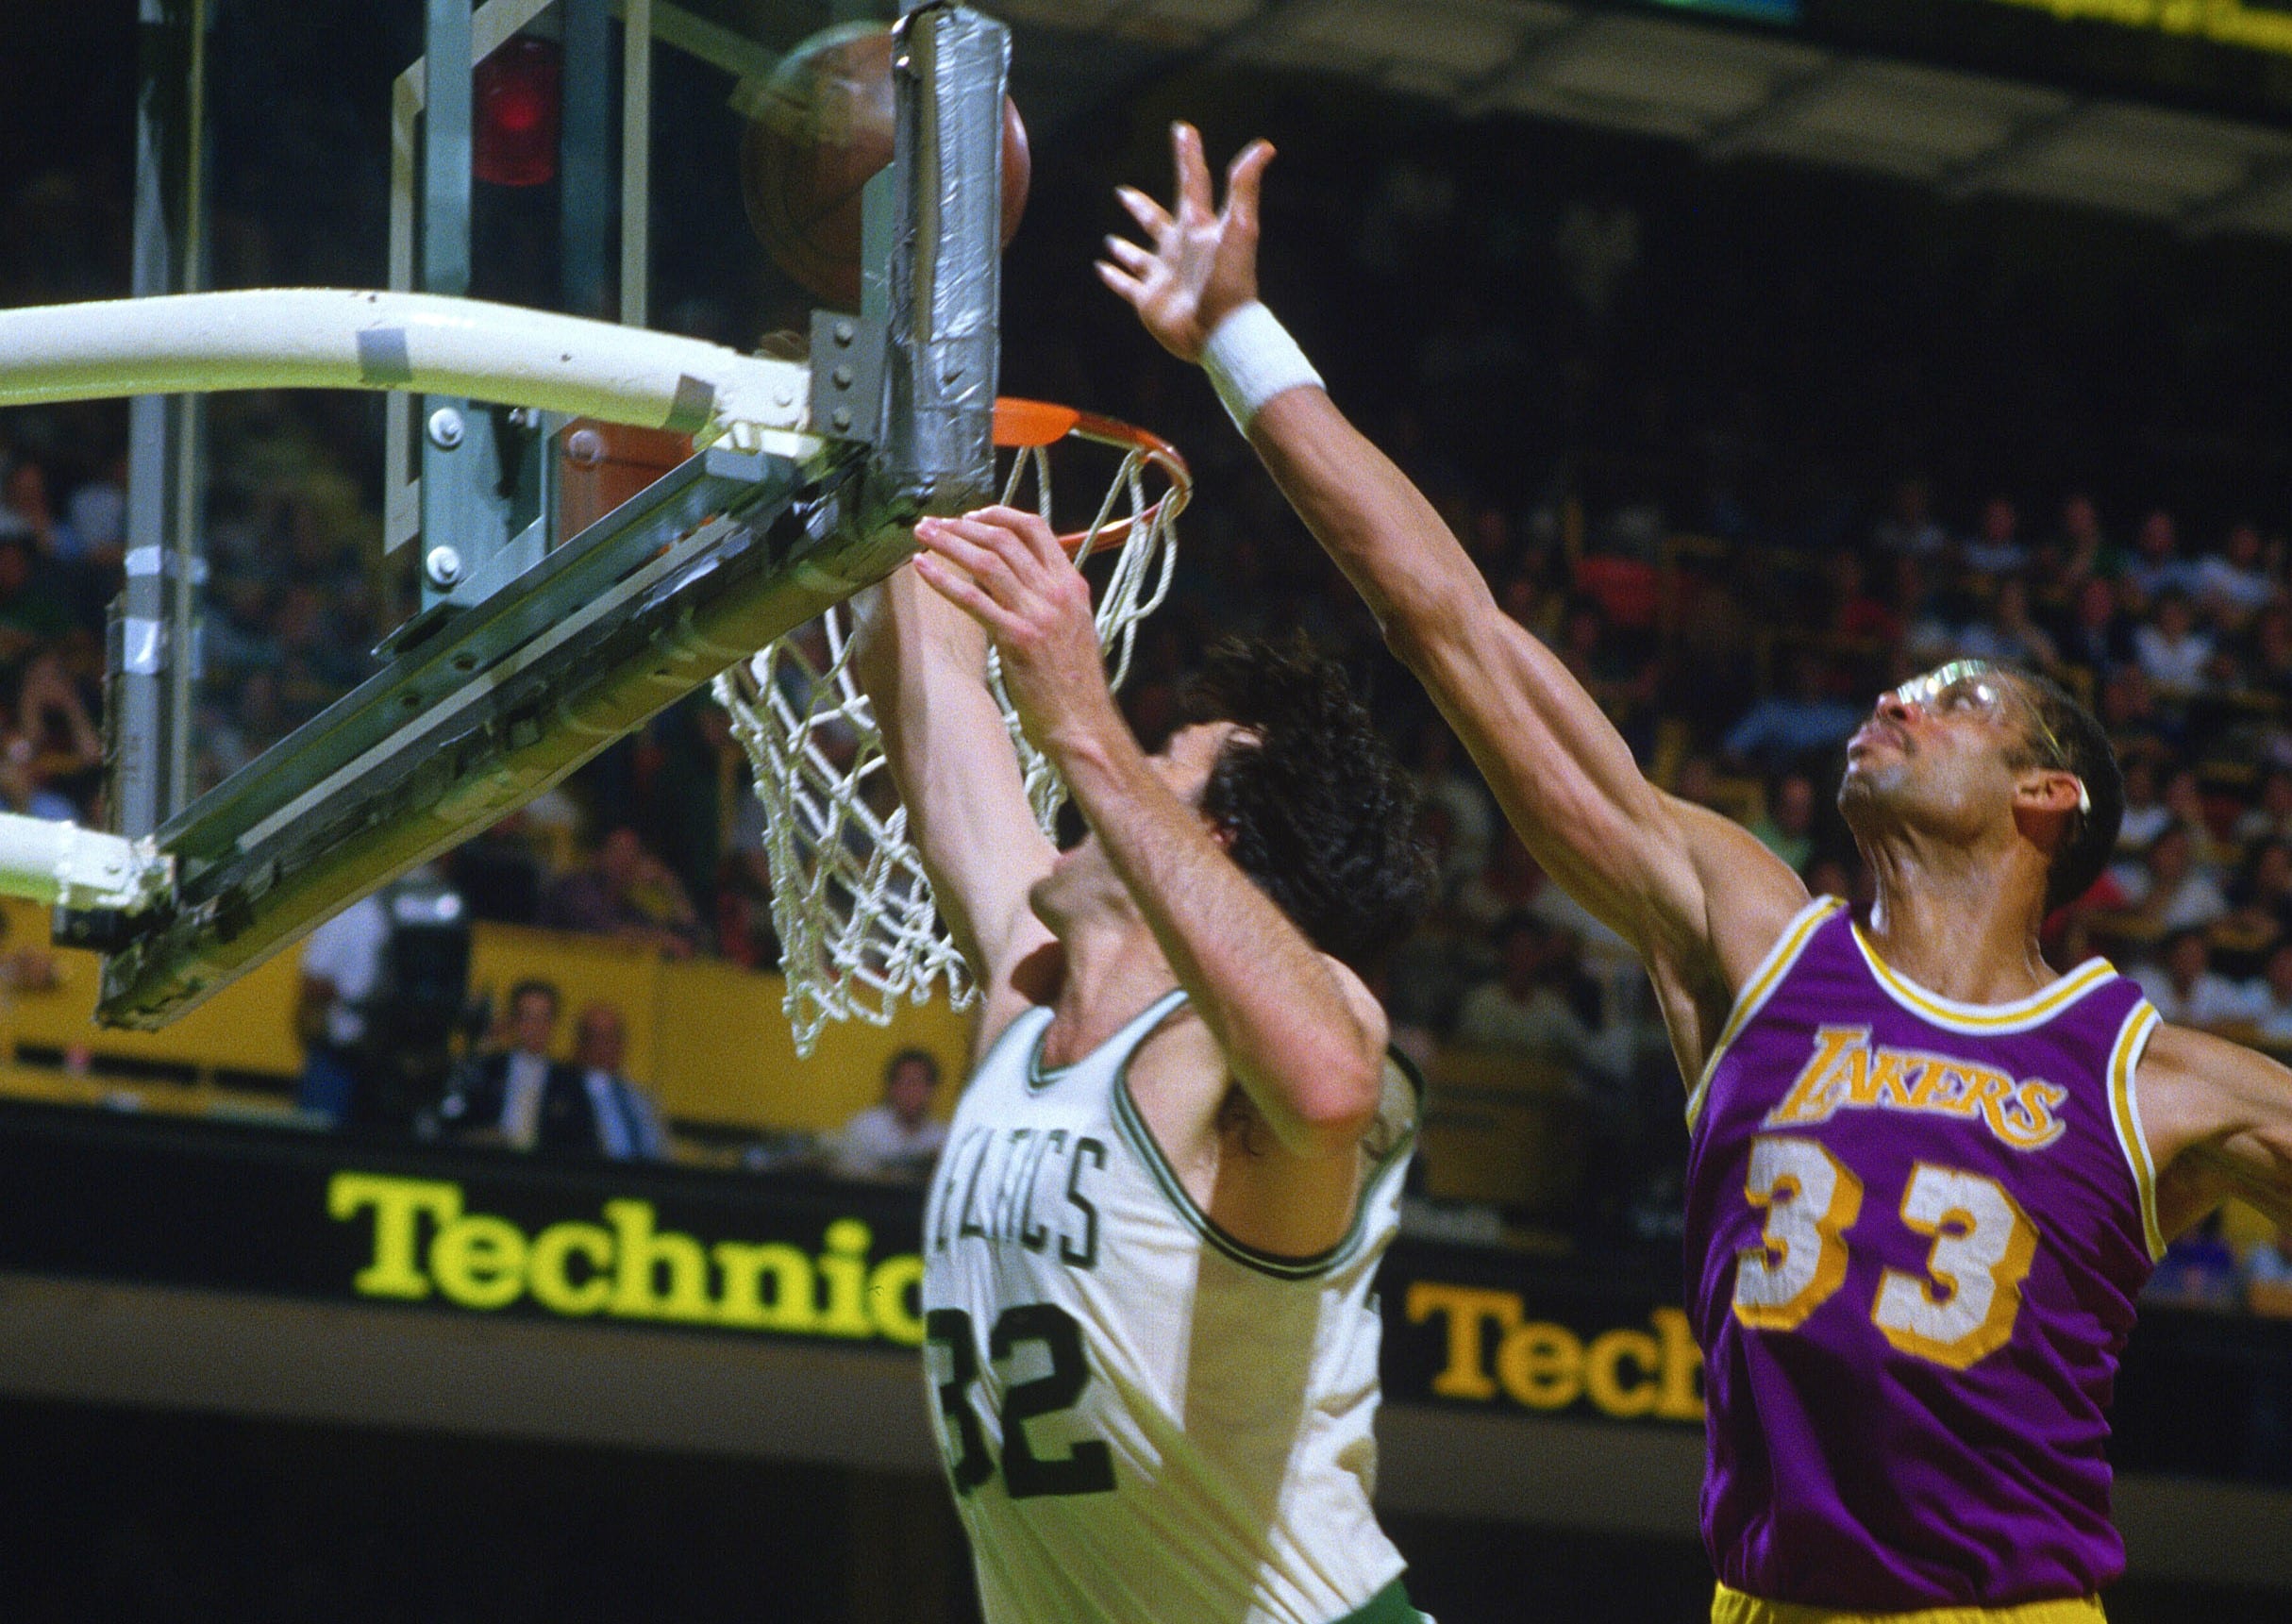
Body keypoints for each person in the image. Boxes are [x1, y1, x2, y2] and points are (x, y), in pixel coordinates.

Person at [1102, 121, 2292, 1620]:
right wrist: (1240, 342)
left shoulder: (2157, 1078)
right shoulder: (1752, 940)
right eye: (1903, 682)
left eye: (1955, 696)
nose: (1898, 697)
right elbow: (1454, 627)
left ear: (2047, 798)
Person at [849, 495, 1435, 1620]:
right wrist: (890, 465)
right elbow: (925, 678)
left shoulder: (1293, 1030)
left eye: (1157, 760)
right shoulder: (1033, 988)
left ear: (1204, 846)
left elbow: (1324, 1085)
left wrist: (1079, 709)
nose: (1095, 783)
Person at [828, 1047, 949, 1182]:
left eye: (917, 1084)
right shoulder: (864, 1128)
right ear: (891, 1087)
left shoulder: (941, 1138)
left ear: (931, 1090)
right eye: (904, 1083)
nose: (910, 1091)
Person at [570, 1001, 671, 1162]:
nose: (604, 1047)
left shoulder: (640, 1099)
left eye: (611, 1038)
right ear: (581, 1043)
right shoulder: (569, 1096)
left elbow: (659, 1152)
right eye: (596, 1037)